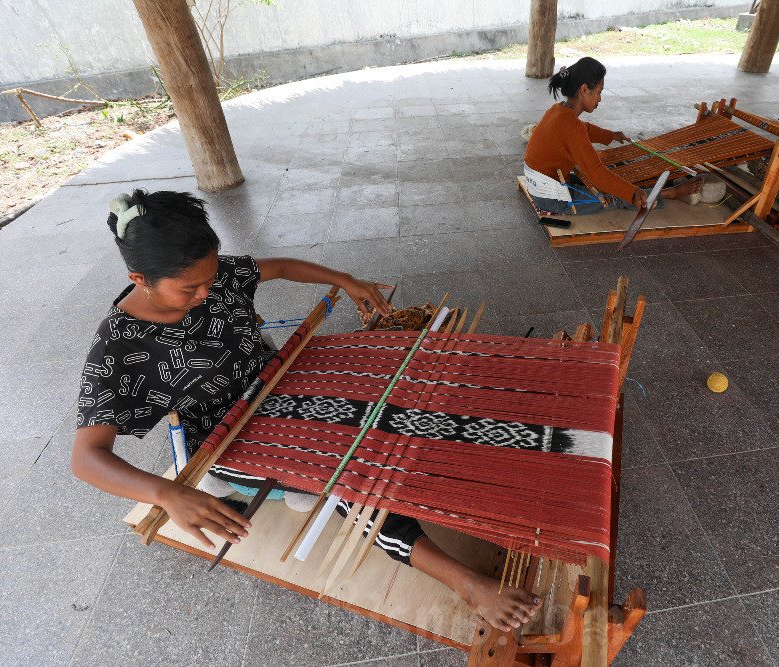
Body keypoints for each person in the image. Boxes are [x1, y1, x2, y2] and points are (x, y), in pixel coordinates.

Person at [71, 189, 542, 632]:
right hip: (232, 437)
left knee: (400, 380)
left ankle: (490, 460)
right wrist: (167, 494)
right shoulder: (119, 349)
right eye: (189, 289)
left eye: (211, 279)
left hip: (283, 380)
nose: (206, 294)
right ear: (139, 280)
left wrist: (344, 280)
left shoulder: (211, 278)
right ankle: (465, 582)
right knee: (348, 475)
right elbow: (87, 458)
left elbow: (275, 268)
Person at [523, 56, 701, 215]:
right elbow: (596, 172)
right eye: (599, 92)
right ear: (584, 90)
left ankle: (644, 191)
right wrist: (632, 192)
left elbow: (585, 129)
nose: (600, 98)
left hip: (539, 184)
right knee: (615, 196)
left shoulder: (558, 110)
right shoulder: (572, 128)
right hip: (552, 199)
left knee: (603, 183)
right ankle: (668, 193)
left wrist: (611, 136)